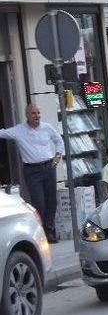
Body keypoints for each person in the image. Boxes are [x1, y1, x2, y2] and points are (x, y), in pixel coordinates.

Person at [0, 104, 63, 243]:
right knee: (38, 202)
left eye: (38, 113)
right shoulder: (19, 130)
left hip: (48, 167)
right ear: (27, 115)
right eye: (34, 113)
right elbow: (2, 133)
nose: (37, 116)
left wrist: (57, 156)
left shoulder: (47, 127)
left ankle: (49, 231)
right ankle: (40, 231)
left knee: (51, 201)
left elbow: (59, 141)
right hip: (32, 171)